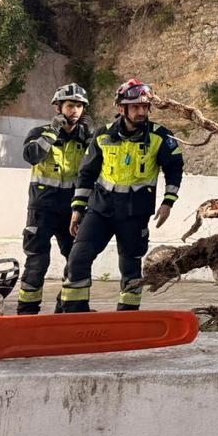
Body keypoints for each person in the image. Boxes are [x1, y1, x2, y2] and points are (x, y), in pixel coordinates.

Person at [61, 79, 184, 312]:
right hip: (100, 210)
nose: (141, 112)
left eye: (145, 107)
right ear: (121, 108)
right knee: (78, 258)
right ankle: (74, 311)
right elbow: (86, 174)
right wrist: (77, 209)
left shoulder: (160, 136)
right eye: (135, 107)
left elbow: (175, 169)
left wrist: (168, 202)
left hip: (135, 214)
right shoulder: (102, 135)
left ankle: (127, 315)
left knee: (130, 267)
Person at [15, 83, 93, 314]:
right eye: (70, 105)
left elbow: (95, 167)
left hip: (72, 211)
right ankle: (27, 312)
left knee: (76, 260)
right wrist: (52, 132)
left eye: (79, 106)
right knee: (37, 262)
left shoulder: (84, 139)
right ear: (58, 108)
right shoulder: (39, 133)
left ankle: (68, 309)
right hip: (42, 209)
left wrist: (90, 137)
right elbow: (31, 156)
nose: (75, 110)